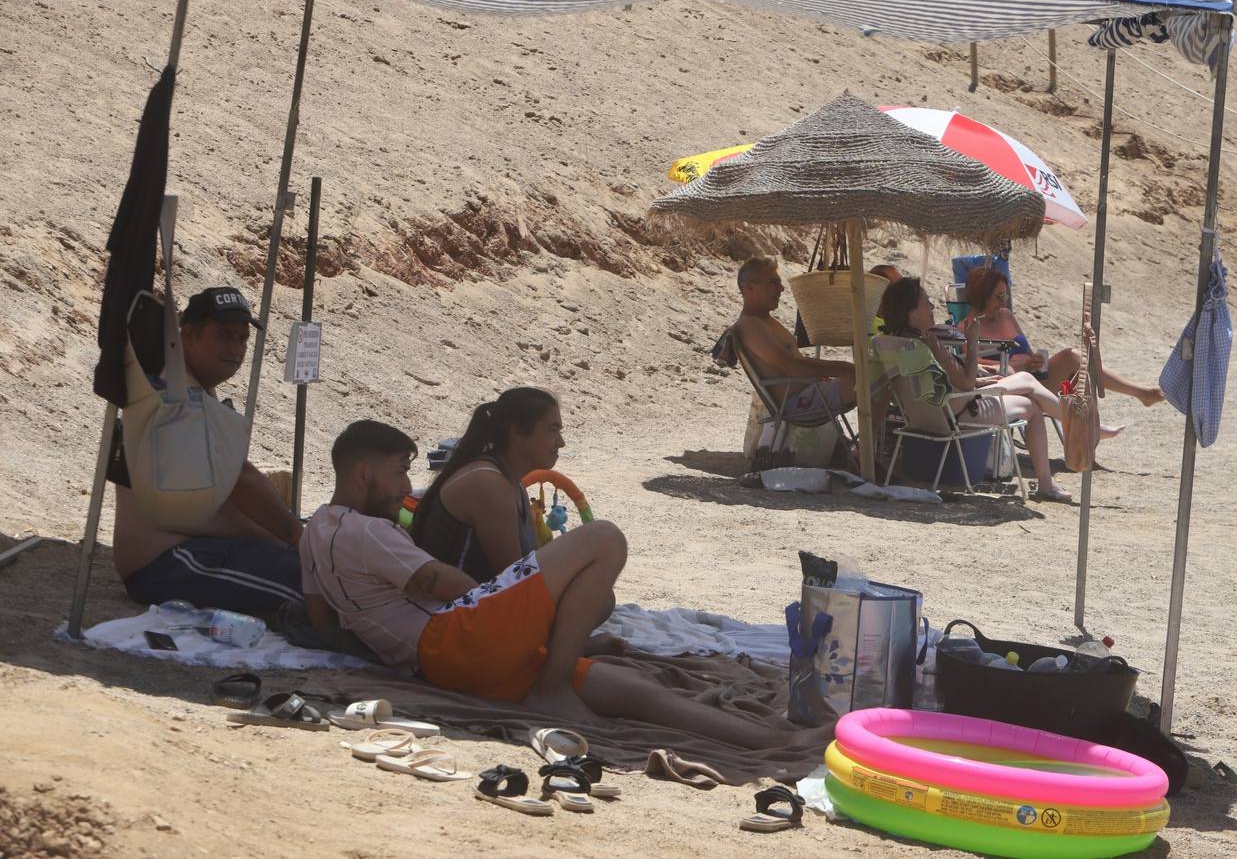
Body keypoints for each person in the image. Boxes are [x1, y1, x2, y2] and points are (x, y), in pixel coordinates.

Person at [301, 420, 823, 747]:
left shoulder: (315, 532)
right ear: (364, 475)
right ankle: (551, 686)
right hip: (451, 640)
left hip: (448, 659)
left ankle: (781, 741)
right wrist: (523, 612)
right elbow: (448, 584)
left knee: (638, 693)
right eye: (397, 473)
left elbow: (322, 617)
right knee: (602, 539)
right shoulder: (365, 530)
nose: (406, 487)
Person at [111, 287, 303, 614]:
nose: (236, 349)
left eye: (242, 339)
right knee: (312, 589)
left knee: (317, 573)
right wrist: (293, 535)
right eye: (224, 336)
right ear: (188, 336)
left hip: (196, 546)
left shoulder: (190, 385)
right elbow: (238, 481)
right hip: (166, 561)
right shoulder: (176, 396)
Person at [878, 278, 1123, 503]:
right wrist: (972, 343)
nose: (932, 306)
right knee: (1032, 404)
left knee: (1026, 382)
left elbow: (938, 384)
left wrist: (981, 383)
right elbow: (964, 382)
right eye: (925, 302)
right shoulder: (928, 343)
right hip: (958, 412)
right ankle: (1074, 444)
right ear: (911, 311)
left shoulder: (891, 343)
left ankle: (1085, 429)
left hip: (929, 416)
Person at [960, 267, 1165, 406]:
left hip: (1037, 378)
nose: (1003, 302)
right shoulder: (966, 328)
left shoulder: (1006, 316)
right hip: (1012, 386)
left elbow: (1029, 354)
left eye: (1006, 296)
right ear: (982, 294)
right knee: (1074, 371)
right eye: (999, 296)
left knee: (1075, 363)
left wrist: (1035, 360)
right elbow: (973, 371)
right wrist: (1016, 365)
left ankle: (1138, 394)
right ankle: (1134, 398)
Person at [408, 388, 553, 584]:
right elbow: (514, 579)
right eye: (552, 430)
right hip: (457, 609)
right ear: (517, 432)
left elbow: (530, 559)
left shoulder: (512, 482)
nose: (561, 442)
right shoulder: (488, 483)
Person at [733, 257, 856, 417]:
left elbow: (794, 362)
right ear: (749, 289)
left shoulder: (765, 321)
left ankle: (878, 437)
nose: (781, 289)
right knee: (874, 381)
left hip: (808, 392)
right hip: (798, 403)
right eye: (773, 283)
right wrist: (843, 368)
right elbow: (791, 366)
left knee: (876, 378)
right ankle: (877, 439)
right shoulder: (751, 325)